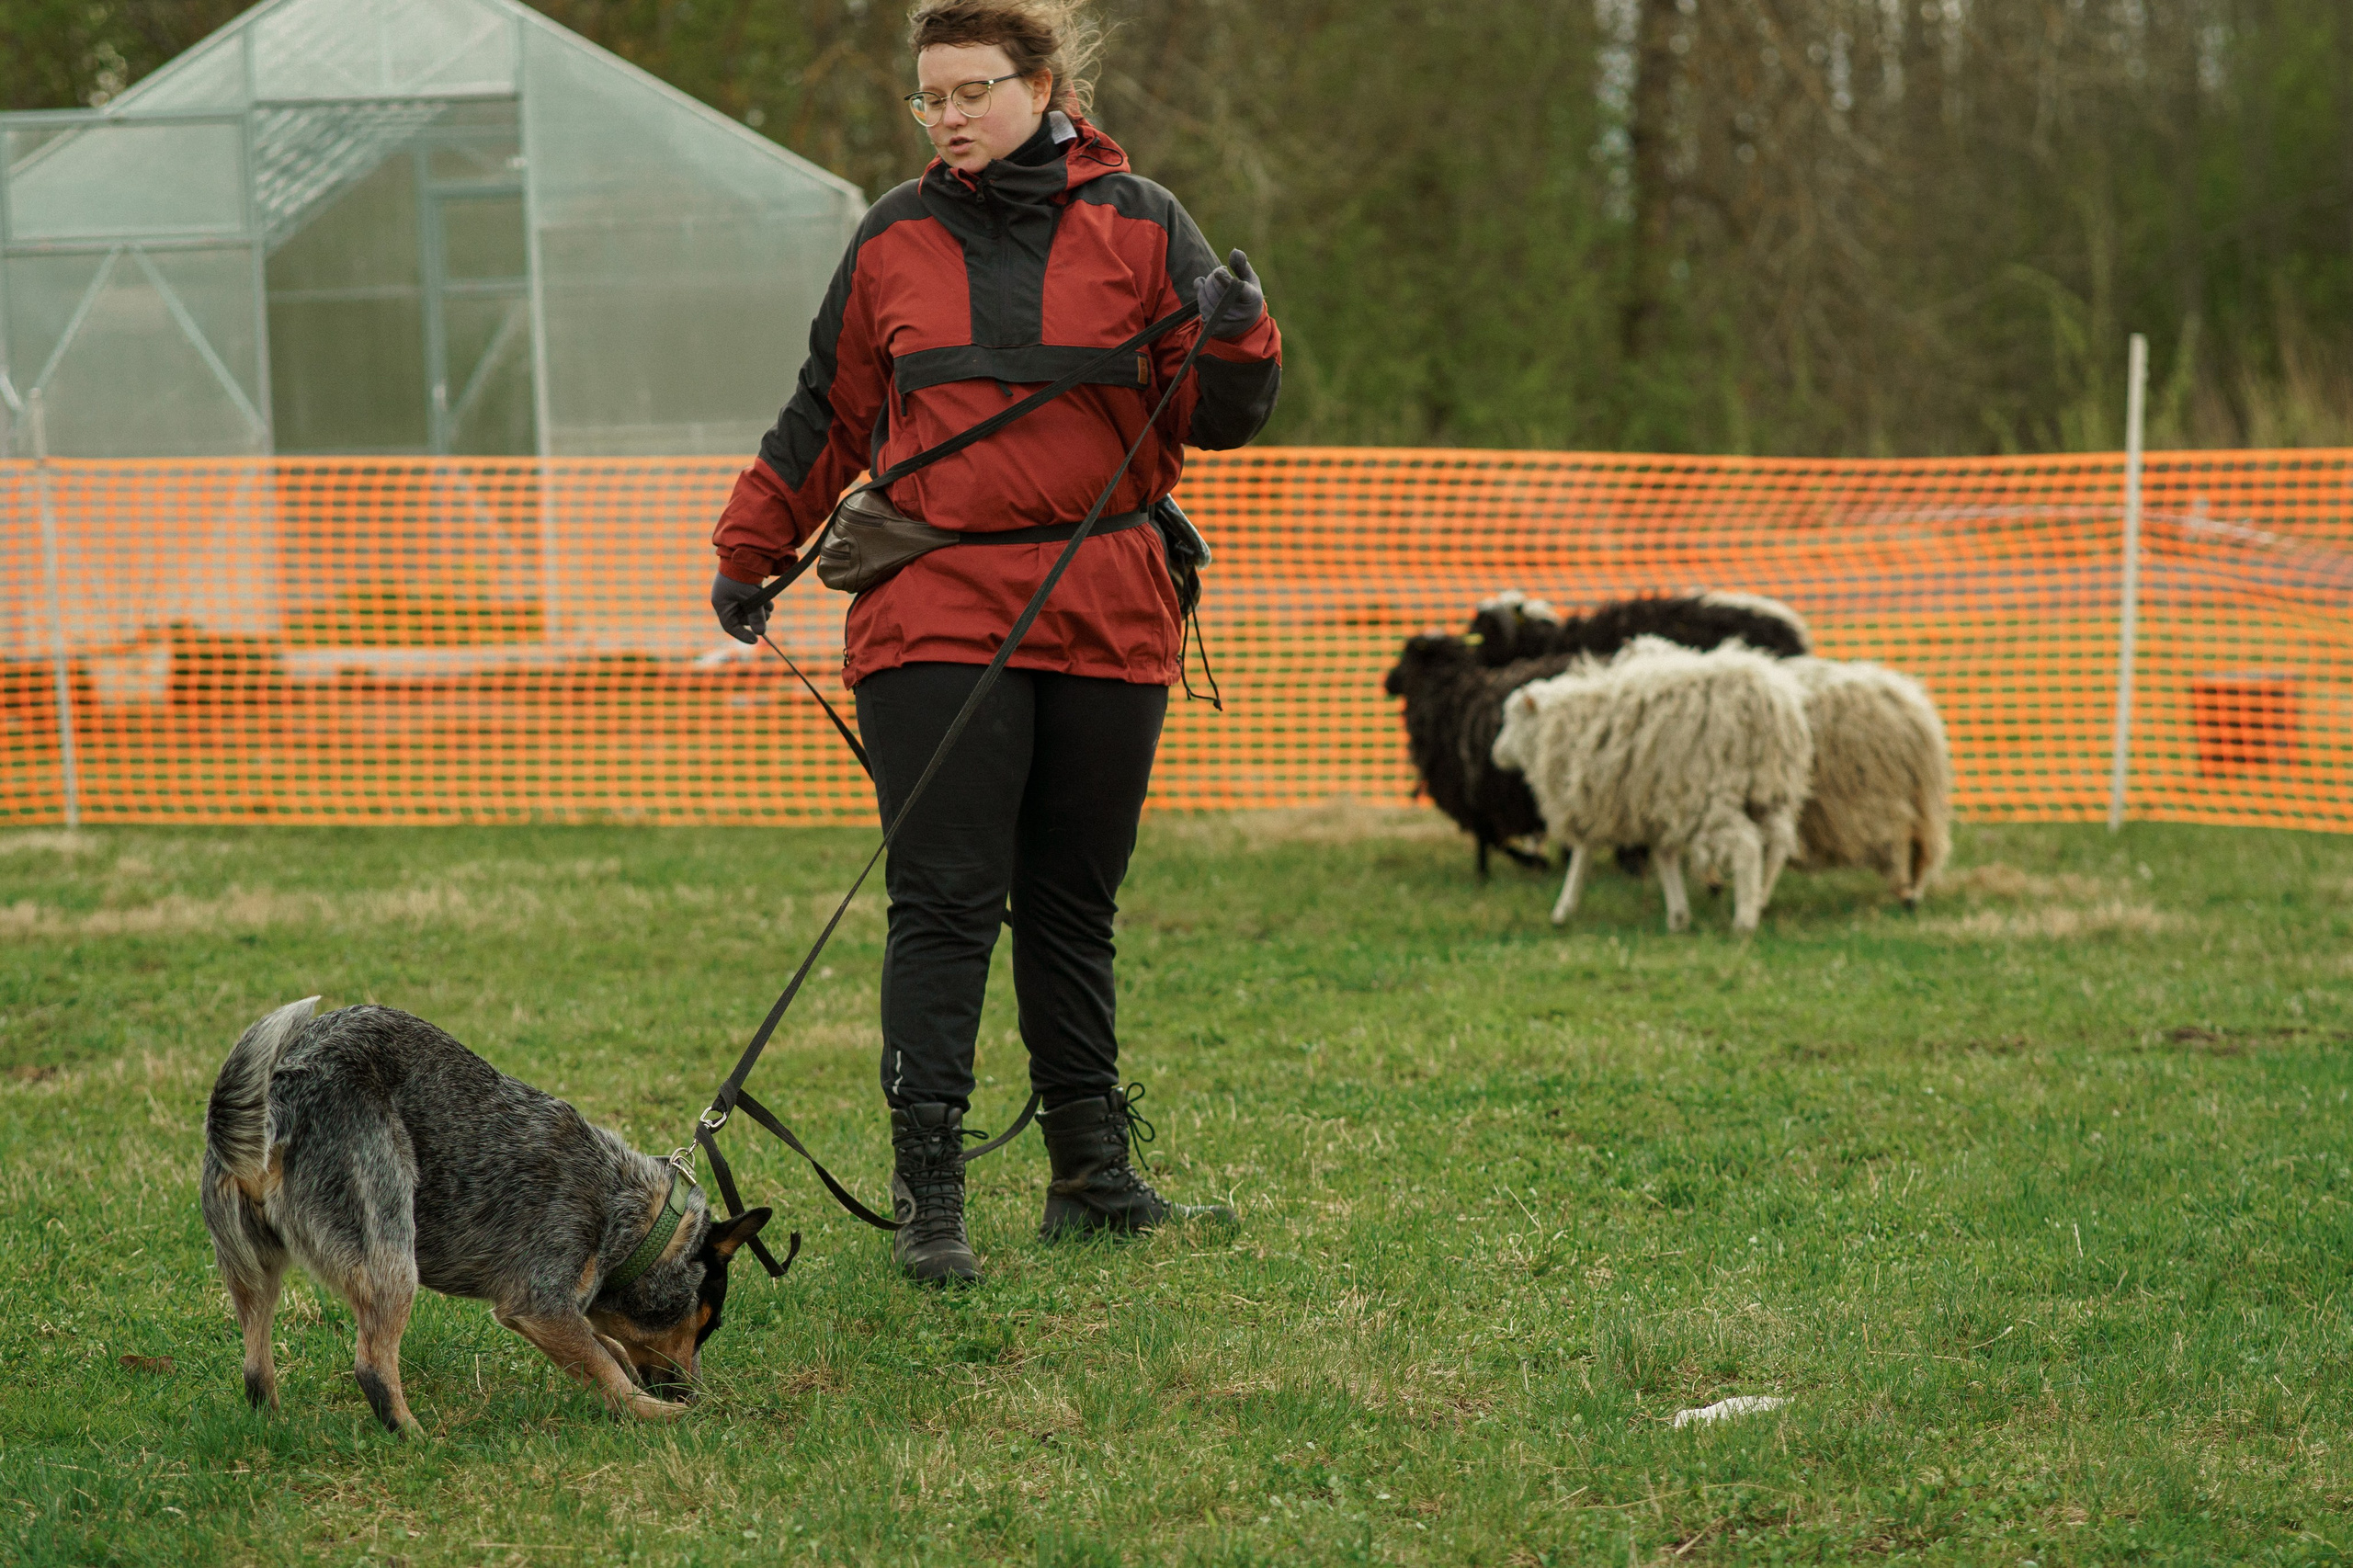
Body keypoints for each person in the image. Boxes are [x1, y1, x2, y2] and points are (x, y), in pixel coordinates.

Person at [707, 0, 1280, 1286]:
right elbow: (828, 413)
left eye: (973, 91)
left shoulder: (1144, 221)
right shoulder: (892, 238)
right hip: (936, 604)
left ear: (1043, 86)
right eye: (932, 96)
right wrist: (750, 548)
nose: (949, 116)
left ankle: (1092, 1177)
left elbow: (1218, 413)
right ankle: (931, 1203)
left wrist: (1242, 331)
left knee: (1074, 903)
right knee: (946, 900)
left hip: (1110, 600)